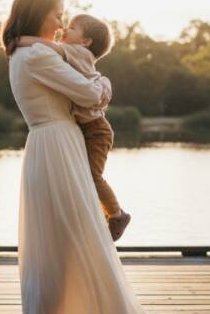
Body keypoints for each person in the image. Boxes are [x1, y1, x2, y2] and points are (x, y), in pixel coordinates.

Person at [1, 0, 149, 314]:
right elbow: (89, 94)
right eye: (57, 14)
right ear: (38, 13)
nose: (60, 22)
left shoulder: (27, 51)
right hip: (57, 145)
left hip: (50, 143)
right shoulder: (37, 56)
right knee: (72, 234)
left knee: (61, 237)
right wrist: (105, 84)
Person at [15, 13, 132, 241]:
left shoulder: (77, 52)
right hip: (88, 128)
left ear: (85, 41)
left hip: (96, 130)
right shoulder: (77, 53)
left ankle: (117, 215)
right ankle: (100, 216)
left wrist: (19, 40)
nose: (65, 30)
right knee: (84, 176)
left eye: (72, 27)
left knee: (92, 176)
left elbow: (46, 47)